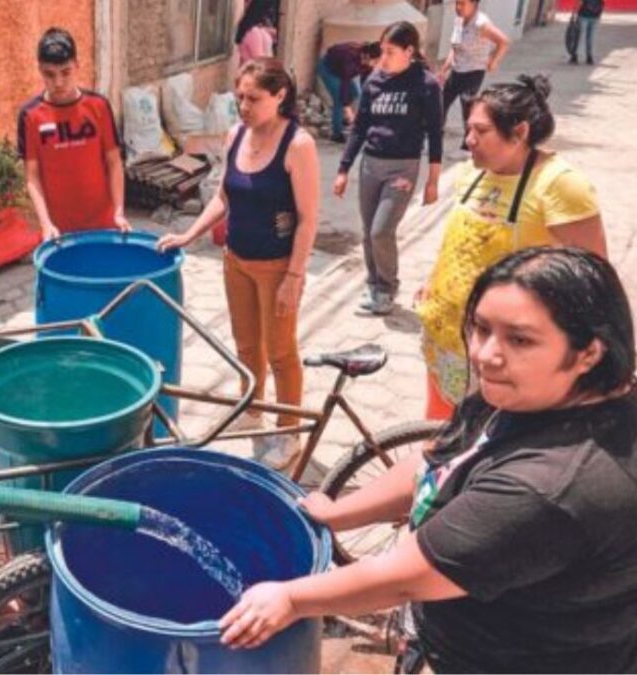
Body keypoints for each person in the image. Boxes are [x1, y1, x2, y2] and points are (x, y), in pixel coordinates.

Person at [218, 247, 637, 673]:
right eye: (481, 328)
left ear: (589, 353)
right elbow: (438, 460)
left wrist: (291, 599)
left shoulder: (550, 487)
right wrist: (340, 513)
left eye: (520, 339)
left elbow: (404, 578)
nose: (486, 354)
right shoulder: (531, 391)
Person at [158, 58, 319, 470]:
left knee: (281, 352)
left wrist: (294, 276)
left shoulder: (297, 144)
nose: (244, 106)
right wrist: (189, 235)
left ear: (280, 96)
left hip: (278, 266)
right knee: (247, 345)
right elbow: (223, 197)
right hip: (236, 260)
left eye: (254, 98)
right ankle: (251, 411)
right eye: (240, 97)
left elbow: (308, 219)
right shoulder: (235, 135)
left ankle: (289, 432)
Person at [416, 75, 605, 420]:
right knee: (440, 429)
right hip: (447, 334)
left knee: (488, 440)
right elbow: (455, 244)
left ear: (519, 133)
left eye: (480, 131)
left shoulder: (559, 185)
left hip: (502, 352)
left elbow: (594, 279)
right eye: (468, 129)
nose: (469, 140)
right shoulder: (470, 175)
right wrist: (434, 283)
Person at [334, 22, 444, 316]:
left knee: (382, 231)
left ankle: (387, 286)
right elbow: (359, 129)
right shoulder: (374, 82)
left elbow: (435, 133)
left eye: (390, 52)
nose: (383, 58)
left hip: (403, 169)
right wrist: (344, 169)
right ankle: (374, 285)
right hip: (370, 165)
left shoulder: (426, 85)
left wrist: (433, 181)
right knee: (369, 232)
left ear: (410, 51)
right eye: (381, 51)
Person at [18, 28, 130, 241]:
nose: (58, 82)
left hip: (104, 224)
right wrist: (45, 223)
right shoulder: (30, 116)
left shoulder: (99, 107)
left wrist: (118, 211)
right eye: (49, 74)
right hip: (59, 231)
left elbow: (114, 162)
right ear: (39, 70)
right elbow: (32, 175)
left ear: (77, 66)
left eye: (66, 72)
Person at [438, 0, 510, 150]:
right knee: (442, 102)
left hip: (473, 72)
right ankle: (437, 135)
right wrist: (445, 68)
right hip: (457, 70)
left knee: (467, 106)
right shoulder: (459, 20)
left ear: (474, 4)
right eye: (457, 3)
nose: (458, 7)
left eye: (462, 4)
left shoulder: (481, 23)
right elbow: (455, 46)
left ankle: (469, 143)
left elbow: (503, 41)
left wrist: (493, 61)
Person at [316, 41, 382, 143]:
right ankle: (336, 134)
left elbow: (367, 81)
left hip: (341, 71)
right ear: (370, 56)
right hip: (328, 70)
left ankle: (344, 118)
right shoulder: (350, 59)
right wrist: (347, 109)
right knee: (339, 100)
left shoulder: (367, 61)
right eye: (377, 61)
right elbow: (345, 84)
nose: (379, 64)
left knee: (356, 93)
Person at [570, 0, 605, 65]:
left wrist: (573, 13)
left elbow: (579, 2)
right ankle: (589, 57)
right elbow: (602, 3)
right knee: (590, 37)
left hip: (584, 15)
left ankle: (575, 56)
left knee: (579, 36)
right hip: (595, 15)